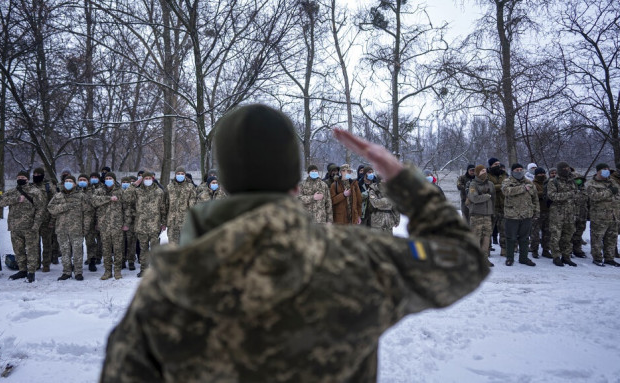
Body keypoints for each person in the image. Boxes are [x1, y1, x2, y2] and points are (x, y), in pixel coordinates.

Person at [101, 104, 489, 382]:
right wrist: (403, 180)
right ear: (295, 184)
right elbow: (465, 258)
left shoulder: (166, 286)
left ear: (227, 181)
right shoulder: (359, 259)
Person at [0, 171, 46, 282]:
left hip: (30, 227)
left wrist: (36, 224)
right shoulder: (12, 192)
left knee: (31, 250)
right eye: (19, 177)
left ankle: (31, 272)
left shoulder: (35, 192)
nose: (20, 179)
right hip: (15, 227)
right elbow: (0, 202)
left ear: (27, 179)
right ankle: (22, 270)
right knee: (18, 250)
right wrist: (15, 199)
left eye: (23, 177)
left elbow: (41, 209)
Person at [48, 175, 93, 280]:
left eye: (70, 181)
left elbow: (87, 213)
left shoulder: (81, 196)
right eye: (66, 181)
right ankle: (66, 272)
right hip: (61, 229)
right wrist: (64, 207)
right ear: (63, 184)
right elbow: (51, 208)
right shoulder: (58, 196)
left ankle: (78, 272)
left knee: (78, 252)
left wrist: (85, 227)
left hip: (77, 229)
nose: (68, 183)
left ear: (74, 184)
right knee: (65, 252)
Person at [122, 171, 166, 277]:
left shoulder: (159, 191)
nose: (147, 180)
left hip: (155, 225)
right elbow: (125, 196)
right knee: (143, 249)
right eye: (145, 179)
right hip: (141, 225)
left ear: (153, 179)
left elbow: (163, 208)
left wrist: (164, 222)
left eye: (149, 178)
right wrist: (135, 184)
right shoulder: (137, 191)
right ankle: (143, 269)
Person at [92, 172, 129, 280]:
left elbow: (126, 208)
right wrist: (109, 198)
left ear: (114, 180)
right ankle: (107, 271)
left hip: (117, 225)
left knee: (118, 249)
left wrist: (126, 223)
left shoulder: (120, 191)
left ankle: (117, 270)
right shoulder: (99, 191)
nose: (108, 179)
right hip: (104, 225)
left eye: (110, 178)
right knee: (106, 249)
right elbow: (94, 202)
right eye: (107, 178)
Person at [501, 163, 538, 266]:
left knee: (525, 238)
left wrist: (536, 211)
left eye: (521, 169)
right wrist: (522, 188)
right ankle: (509, 258)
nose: (519, 171)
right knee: (511, 238)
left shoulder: (529, 182)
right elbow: (506, 191)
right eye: (517, 170)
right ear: (512, 171)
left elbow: (535, 198)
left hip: (526, 215)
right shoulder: (507, 181)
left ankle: (524, 258)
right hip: (512, 215)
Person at [586, 163, 620, 267]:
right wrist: (609, 192)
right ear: (598, 171)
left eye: (607, 169)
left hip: (613, 215)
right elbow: (594, 196)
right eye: (604, 169)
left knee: (611, 238)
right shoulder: (591, 183)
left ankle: (609, 258)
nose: (607, 171)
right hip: (599, 216)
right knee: (597, 238)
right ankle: (597, 258)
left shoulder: (613, 182)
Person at [547, 162, 578, 267]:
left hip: (570, 213)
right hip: (557, 213)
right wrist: (569, 194)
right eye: (564, 168)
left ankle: (566, 256)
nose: (566, 169)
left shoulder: (572, 181)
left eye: (567, 167)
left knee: (568, 236)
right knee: (556, 236)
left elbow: (577, 194)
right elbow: (552, 196)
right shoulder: (553, 182)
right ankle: (556, 256)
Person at [468, 165, 496, 267]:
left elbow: (494, 199)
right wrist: (486, 196)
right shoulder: (473, 184)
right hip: (477, 215)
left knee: (486, 237)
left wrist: (493, 211)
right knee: (476, 237)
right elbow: (474, 198)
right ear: (477, 173)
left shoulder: (490, 184)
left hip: (488, 215)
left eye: (485, 170)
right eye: (482, 171)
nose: (484, 172)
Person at [31, 167, 58, 270]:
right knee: (34, 243)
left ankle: (46, 263)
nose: (36, 176)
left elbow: (54, 203)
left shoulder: (49, 187)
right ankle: (36, 263)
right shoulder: (30, 187)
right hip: (33, 220)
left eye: (38, 174)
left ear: (42, 175)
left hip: (46, 220)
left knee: (47, 243)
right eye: (35, 174)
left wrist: (52, 220)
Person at [360, 167, 399, 232]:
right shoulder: (373, 189)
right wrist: (387, 200)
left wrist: (397, 219)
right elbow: (375, 203)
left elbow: (395, 206)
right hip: (377, 221)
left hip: (389, 221)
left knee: (388, 240)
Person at [165, 166, 197, 244]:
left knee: (185, 245)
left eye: (182, 173)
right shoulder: (169, 187)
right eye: (178, 173)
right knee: (172, 246)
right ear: (175, 175)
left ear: (185, 175)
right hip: (172, 222)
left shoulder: (190, 187)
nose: (180, 175)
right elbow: (165, 205)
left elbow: (193, 205)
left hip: (185, 222)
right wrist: (164, 220)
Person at [78, 174, 100, 270]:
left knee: (90, 242)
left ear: (88, 181)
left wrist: (97, 222)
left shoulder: (94, 191)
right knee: (77, 243)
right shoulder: (74, 192)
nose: (82, 181)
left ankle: (92, 261)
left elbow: (98, 207)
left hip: (91, 220)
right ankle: (77, 262)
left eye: (84, 180)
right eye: (80, 180)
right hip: (76, 221)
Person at [487, 158, 507, 256]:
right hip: (491, 206)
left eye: (499, 164)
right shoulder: (486, 175)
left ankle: (504, 249)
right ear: (491, 165)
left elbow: (508, 186)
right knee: (489, 229)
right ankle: (487, 248)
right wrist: (501, 186)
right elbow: (488, 188)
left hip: (503, 205)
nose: (498, 166)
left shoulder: (504, 174)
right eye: (495, 164)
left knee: (504, 229)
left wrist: (498, 186)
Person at [529, 167, 550, 258]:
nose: (542, 175)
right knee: (535, 233)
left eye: (543, 173)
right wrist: (545, 193)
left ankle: (546, 250)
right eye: (540, 174)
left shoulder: (549, 183)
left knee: (547, 233)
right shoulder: (532, 184)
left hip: (548, 211)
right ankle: (534, 250)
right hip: (537, 212)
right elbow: (533, 194)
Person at [119, 177, 137, 271]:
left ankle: (131, 260)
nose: (125, 184)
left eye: (127, 182)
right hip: (119, 221)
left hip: (131, 221)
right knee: (121, 242)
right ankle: (121, 260)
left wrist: (131, 214)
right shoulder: (118, 192)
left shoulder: (134, 193)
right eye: (124, 182)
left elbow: (136, 206)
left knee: (131, 242)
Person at [571, 173, 588, 258]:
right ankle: (568, 250)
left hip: (582, 215)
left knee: (579, 233)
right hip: (572, 214)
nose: (579, 180)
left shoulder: (584, 189)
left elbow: (588, 202)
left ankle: (577, 249)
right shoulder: (569, 189)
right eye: (577, 179)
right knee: (570, 233)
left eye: (580, 179)